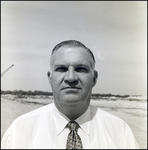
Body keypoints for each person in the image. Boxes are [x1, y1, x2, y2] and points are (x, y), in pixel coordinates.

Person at [1, 40, 139, 149]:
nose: (71, 78)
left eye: (81, 69)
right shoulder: (19, 130)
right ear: (50, 78)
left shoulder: (120, 131)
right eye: (61, 69)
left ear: (94, 78)